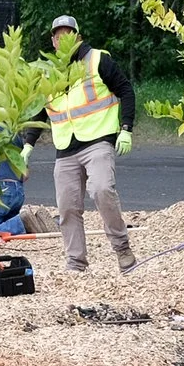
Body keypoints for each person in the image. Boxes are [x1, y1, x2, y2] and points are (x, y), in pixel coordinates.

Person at [44, 15, 137, 274]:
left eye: (67, 33)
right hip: (65, 148)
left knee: (102, 190)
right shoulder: (50, 72)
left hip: (98, 140)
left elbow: (125, 90)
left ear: (77, 36)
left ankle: (122, 249)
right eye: (58, 35)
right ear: (53, 41)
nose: (63, 39)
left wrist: (126, 128)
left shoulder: (97, 59)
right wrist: (29, 143)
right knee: (67, 207)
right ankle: (76, 264)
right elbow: (41, 111)